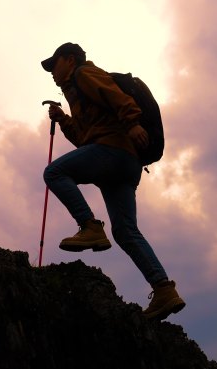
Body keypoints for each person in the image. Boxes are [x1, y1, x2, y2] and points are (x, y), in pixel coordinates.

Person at [40, 42, 185, 321]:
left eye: (54, 65)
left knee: (54, 173)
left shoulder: (84, 74)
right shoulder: (76, 94)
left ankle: (90, 226)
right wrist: (64, 120)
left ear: (70, 60)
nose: (52, 72)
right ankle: (164, 290)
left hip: (114, 152)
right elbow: (85, 140)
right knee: (125, 231)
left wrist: (132, 123)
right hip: (124, 163)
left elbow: (116, 96)